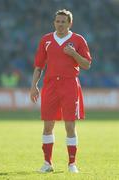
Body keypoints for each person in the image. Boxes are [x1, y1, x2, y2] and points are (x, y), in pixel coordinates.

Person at [30, 9, 92, 173]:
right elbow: (39, 65)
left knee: (70, 125)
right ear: (54, 22)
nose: (60, 24)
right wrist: (34, 85)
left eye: (63, 21)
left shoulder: (78, 40)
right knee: (48, 125)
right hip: (50, 85)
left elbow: (86, 64)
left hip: (69, 84)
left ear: (70, 23)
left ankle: (72, 164)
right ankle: (47, 163)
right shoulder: (46, 40)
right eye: (58, 21)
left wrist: (74, 55)